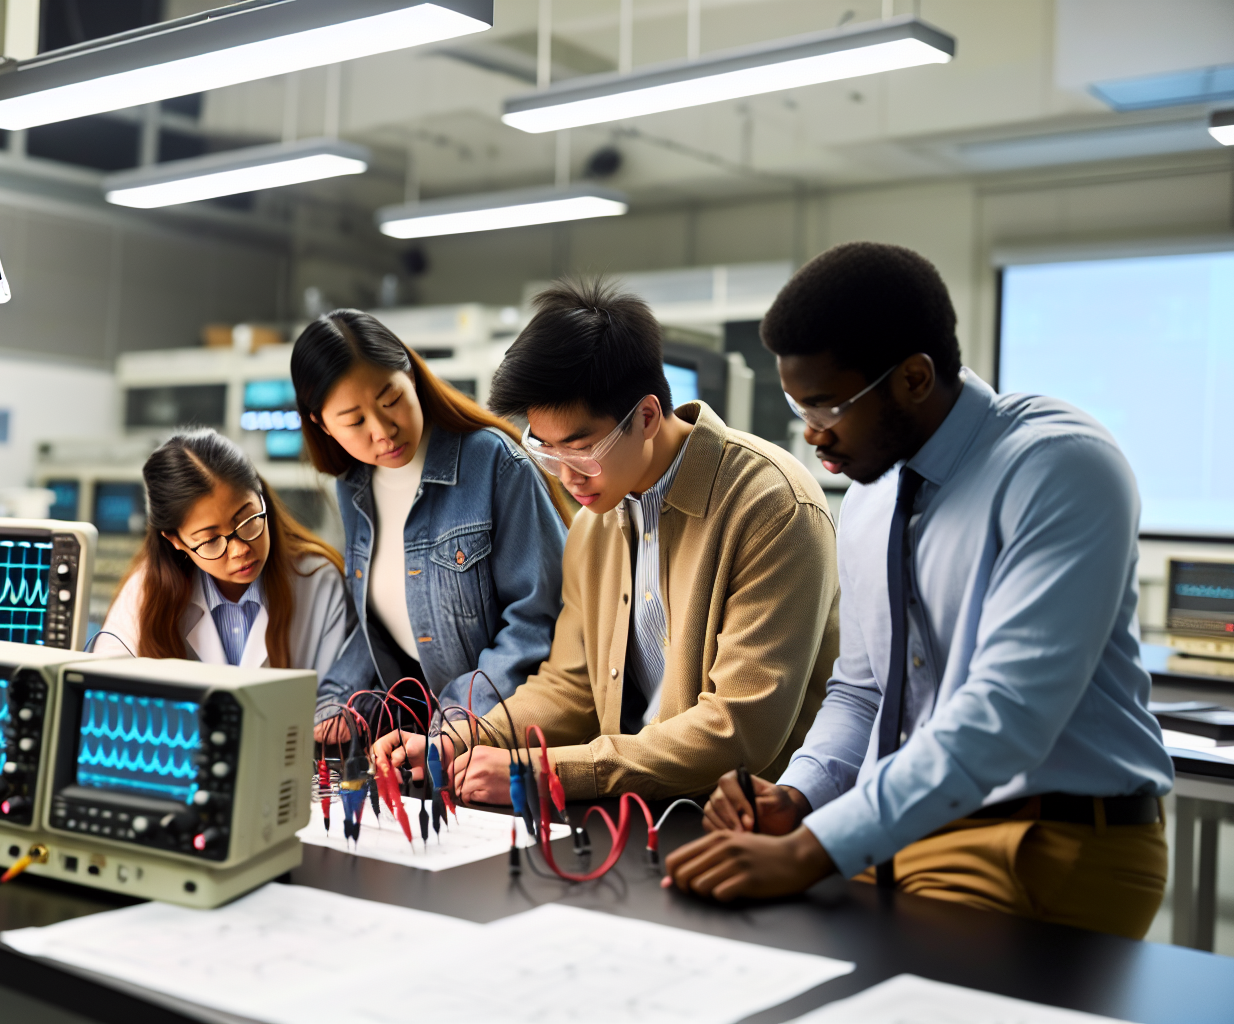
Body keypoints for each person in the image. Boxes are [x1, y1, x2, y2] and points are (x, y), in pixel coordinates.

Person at [666, 242, 1173, 941]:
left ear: (912, 378)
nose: (812, 433)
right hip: (897, 826)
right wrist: (799, 795)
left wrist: (811, 851)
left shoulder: (1060, 467)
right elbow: (864, 692)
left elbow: (1005, 712)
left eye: (829, 405)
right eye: (798, 405)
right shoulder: (871, 498)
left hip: (1039, 837)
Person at [375, 277, 839, 802]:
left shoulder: (770, 505)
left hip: (752, 826)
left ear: (644, 417)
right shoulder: (595, 525)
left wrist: (543, 774)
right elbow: (568, 690)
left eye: (580, 449)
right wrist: (457, 740)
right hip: (640, 812)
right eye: (545, 452)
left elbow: (737, 729)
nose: (567, 476)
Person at [292, 309, 569, 742]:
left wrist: (456, 725)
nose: (383, 431)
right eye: (354, 421)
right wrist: (338, 704)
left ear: (412, 376)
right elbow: (378, 629)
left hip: (502, 736)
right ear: (321, 424)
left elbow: (540, 620)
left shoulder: (493, 463)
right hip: (423, 738)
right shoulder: (354, 486)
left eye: (390, 401)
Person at [96, 429, 349, 675]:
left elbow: (336, 701)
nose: (240, 549)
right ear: (176, 541)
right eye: (211, 540)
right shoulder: (146, 592)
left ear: (261, 499)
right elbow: (104, 687)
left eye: (248, 520)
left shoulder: (317, 581)